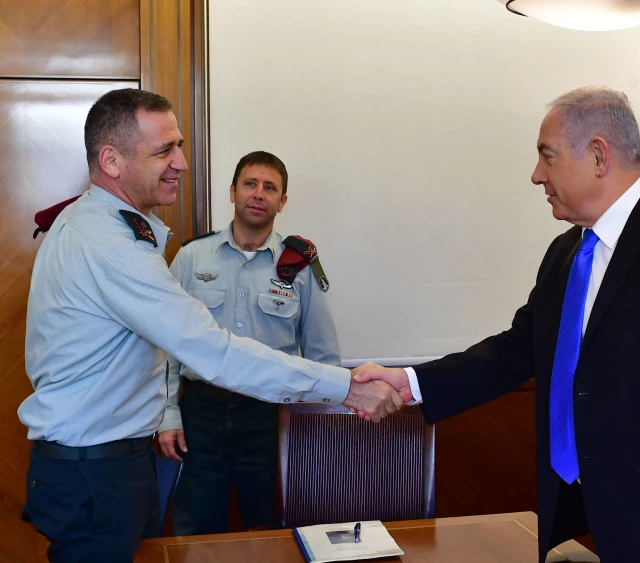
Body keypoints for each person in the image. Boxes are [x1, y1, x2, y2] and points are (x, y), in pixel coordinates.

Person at [353, 86, 640, 563]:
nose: (537, 175)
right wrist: (410, 382)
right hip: (595, 520)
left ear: (598, 156)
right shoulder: (566, 253)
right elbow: (515, 351)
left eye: (548, 157)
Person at [18, 89, 404, 563]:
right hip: (97, 471)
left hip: (118, 461)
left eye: (178, 145)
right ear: (112, 160)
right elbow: (210, 351)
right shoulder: (109, 244)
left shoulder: (109, 228)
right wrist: (346, 386)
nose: (181, 162)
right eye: (165, 150)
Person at [156, 151, 341, 535]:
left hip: (271, 417)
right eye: (250, 184)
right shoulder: (192, 257)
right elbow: (164, 348)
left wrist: (317, 432)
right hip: (200, 414)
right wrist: (168, 415)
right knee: (196, 529)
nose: (259, 193)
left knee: (271, 526)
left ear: (282, 201)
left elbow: (323, 356)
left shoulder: (300, 267)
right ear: (232, 192)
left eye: (270, 187)